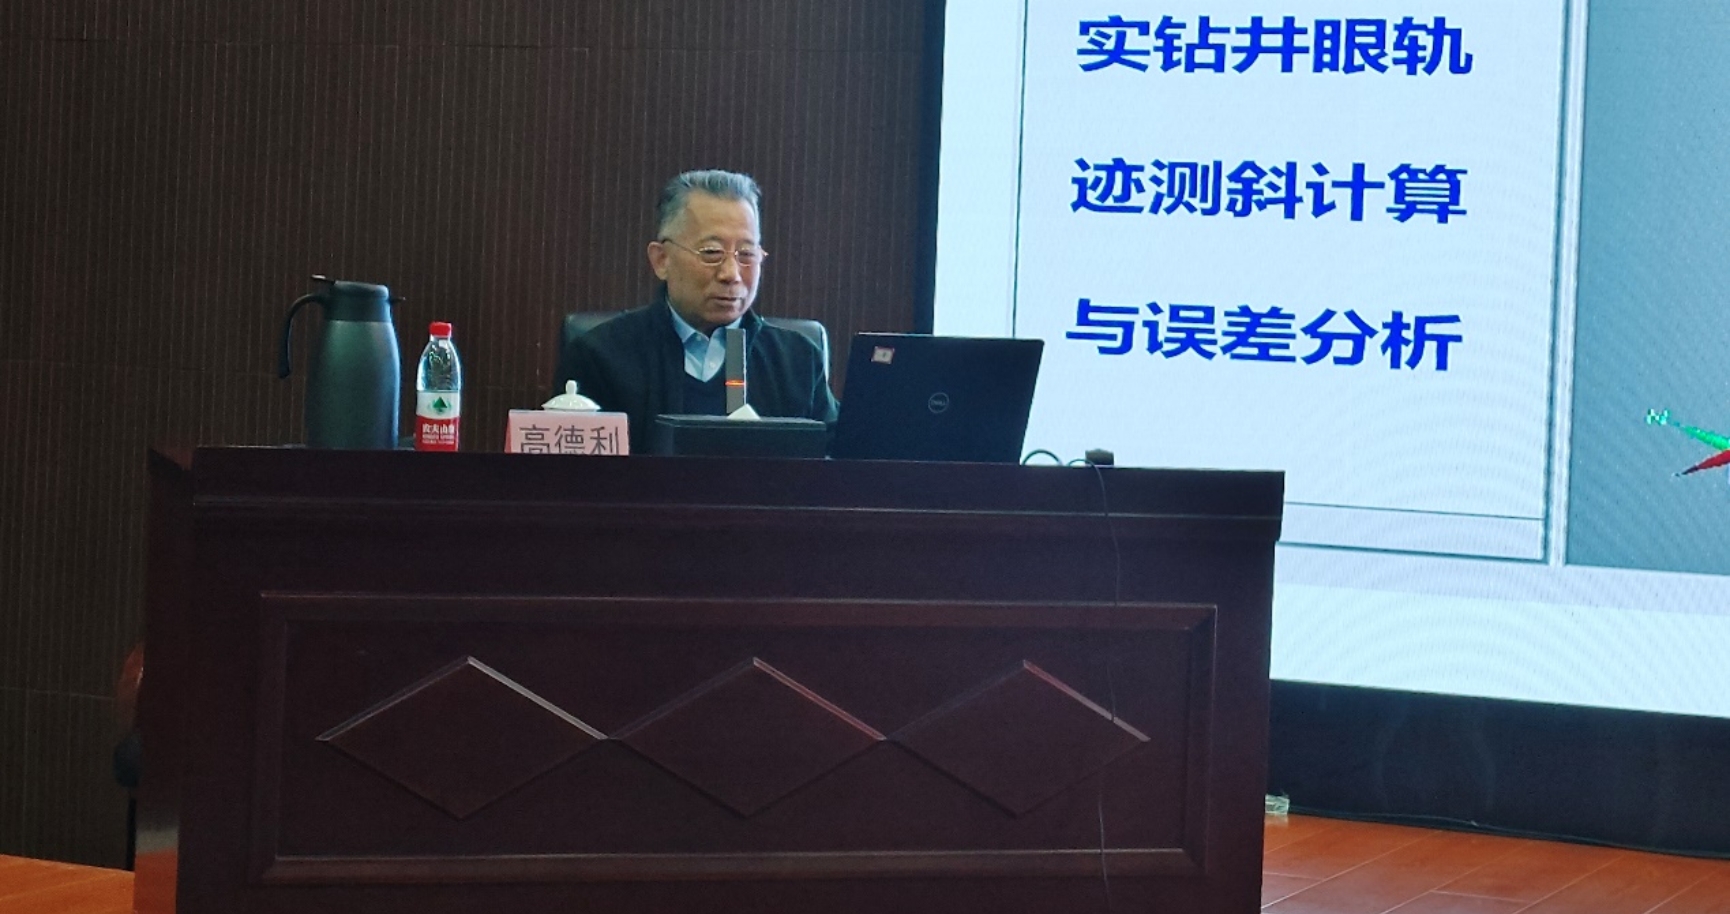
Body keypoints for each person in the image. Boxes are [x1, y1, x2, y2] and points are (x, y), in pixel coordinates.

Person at [557, 169, 839, 448]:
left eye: (746, 254)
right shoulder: (599, 356)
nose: (731, 274)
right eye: (712, 253)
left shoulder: (798, 360)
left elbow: (838, 463)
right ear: (661, 260)